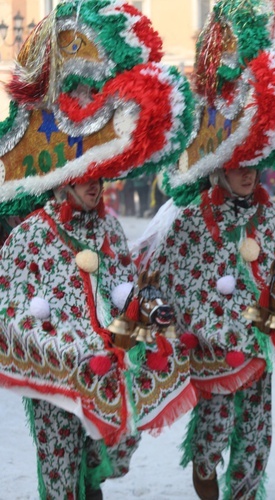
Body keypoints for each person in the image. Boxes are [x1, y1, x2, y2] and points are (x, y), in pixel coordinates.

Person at [0, 2, 197, 497]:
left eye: (102, 175)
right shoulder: (29, 236)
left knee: (109, 456)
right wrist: (67, 351)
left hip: (108, 369)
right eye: (87, 177)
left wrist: (150, 320)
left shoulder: (109, 229)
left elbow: (124, 289)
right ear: (63, 179)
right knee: (61, 477)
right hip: (54, 376)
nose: (98, 186)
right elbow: (12, 312)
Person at [147, 3, 275, 499]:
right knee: (214, 435)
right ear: (220, 167)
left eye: (255, 164)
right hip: (211, 349)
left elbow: (273, 275)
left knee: (256, 439)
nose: (248, 174)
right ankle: (204, 470)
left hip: (257, 343)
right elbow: (172, 279)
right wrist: (210, 322)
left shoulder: (269, 215)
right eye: (238, 164)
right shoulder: (188, 217)